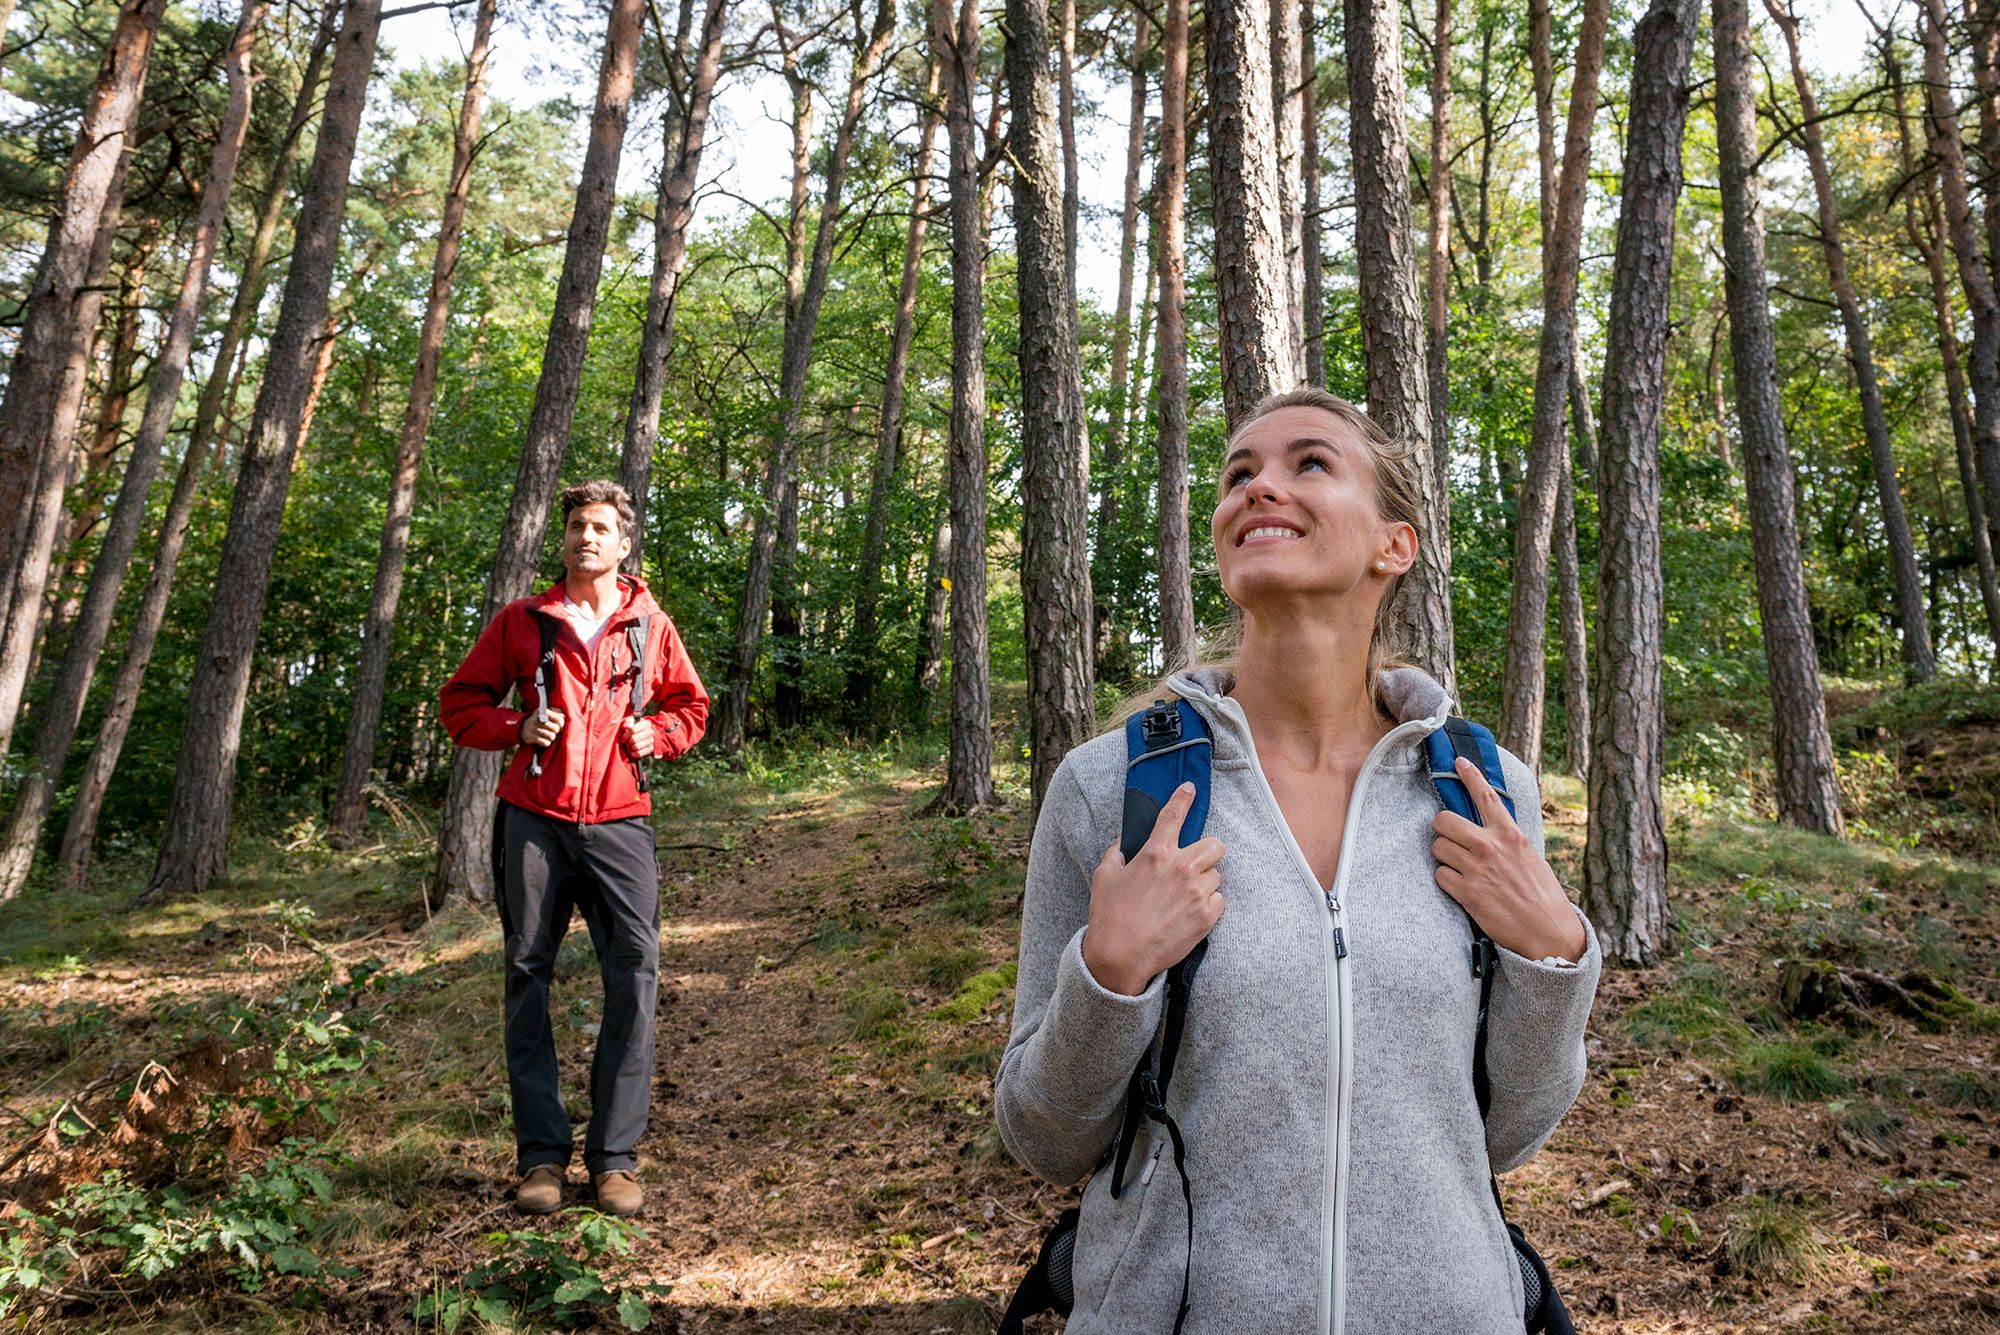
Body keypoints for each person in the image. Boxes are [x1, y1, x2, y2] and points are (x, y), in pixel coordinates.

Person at [995, 387, 1600, 1332]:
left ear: (1393, 545)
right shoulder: (1109, 787)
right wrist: (1110, 975)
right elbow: (1044, 1136)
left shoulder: (1484, 793)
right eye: (1239, 474)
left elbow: (1505, 1139)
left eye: (1308, 463)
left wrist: (1556, 955)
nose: (1257, 488)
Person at [440, 480, 708, 1218]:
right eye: (577, 528)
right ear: (563, 542)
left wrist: (661, 734)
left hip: (621, 821)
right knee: (529, 972)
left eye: (600, 528)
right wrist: (514, 729)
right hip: (533, 818)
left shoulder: (651, 624)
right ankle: (541, 1158)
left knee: (636, 972)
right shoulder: (522, 621)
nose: (586, 537)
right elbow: (459, 702)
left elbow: (692, 705)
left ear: (623, 543)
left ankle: (615, 1161)